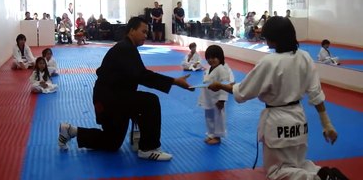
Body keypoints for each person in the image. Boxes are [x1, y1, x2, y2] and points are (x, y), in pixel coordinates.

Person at [207, 17, 348, 180]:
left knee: (278, 172)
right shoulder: (305, 57)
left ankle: (320, 178)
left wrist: (221, 86)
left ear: (274, 38)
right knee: (298, 164)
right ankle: (321, 173)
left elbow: (243, 92)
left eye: (267, 36)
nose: (265, 39)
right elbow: (316, 95)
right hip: (299, 120)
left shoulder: (269, 62)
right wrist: (327, 124)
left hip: (278, 122)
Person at [58, 17, 193, 161]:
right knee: (150, 101)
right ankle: (148, 148)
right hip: (108, 99)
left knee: (112, 142)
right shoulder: (125, 48)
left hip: (110, 98)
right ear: (132, 31)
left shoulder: (128, 48)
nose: (145, 35)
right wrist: (174, 81)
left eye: (147, 32)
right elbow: (142, 75)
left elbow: (136, 76)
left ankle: (70, 131)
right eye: (143, 31)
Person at [198, 45, 234, 145]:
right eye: (208, 58)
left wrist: (222, 100)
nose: (211, 60)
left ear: (220, 57)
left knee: (218, 119)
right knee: (209, 117)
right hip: (208, 99)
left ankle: (218, 137)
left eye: (213, 57)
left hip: (217, 100)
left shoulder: (222, 70)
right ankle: (211, 134)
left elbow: (225, 85)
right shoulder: (208, 69)